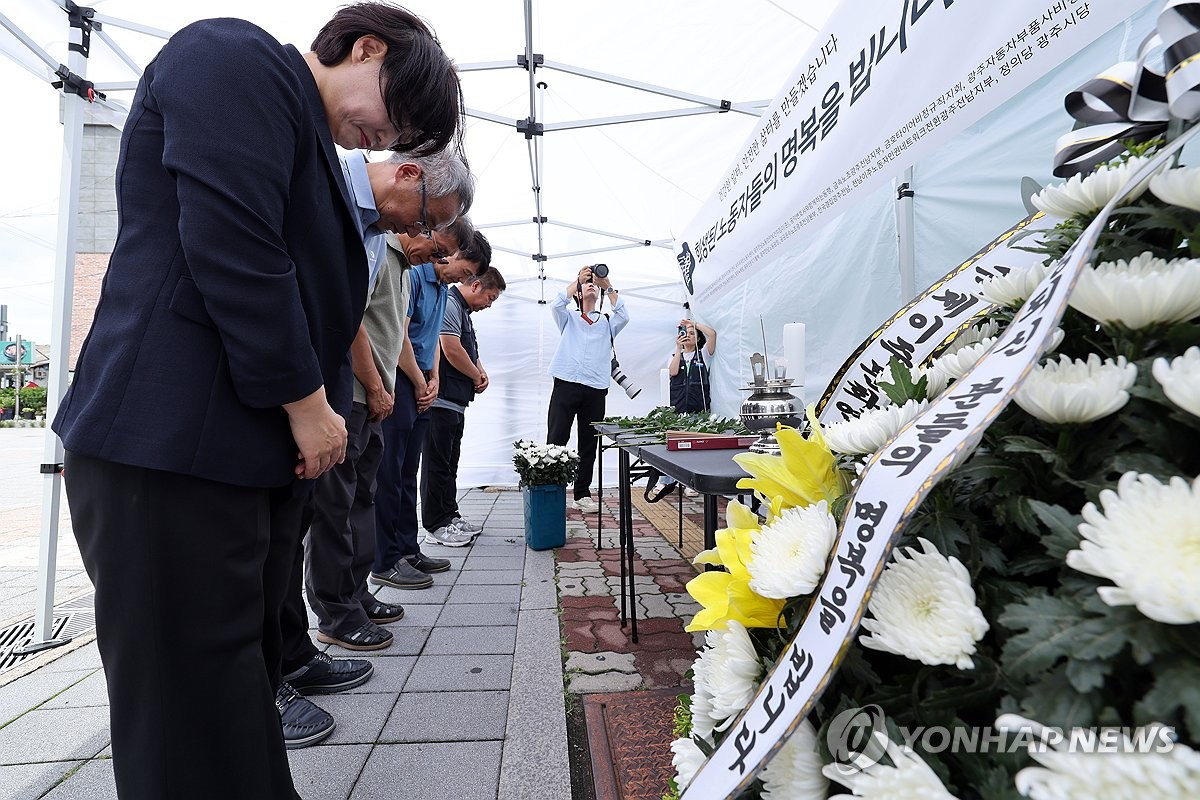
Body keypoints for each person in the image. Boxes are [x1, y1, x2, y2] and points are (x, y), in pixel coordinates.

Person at [50, 5, 462, 798]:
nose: (388, 139)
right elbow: (236, 243)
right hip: (164, 443)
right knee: (187, 704)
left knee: (236, 686)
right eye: (397, 115)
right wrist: (308, 401)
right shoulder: (234, 58)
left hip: (224, 452)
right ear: (365, 48)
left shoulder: (300, 125)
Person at [284, 148, 470, 699]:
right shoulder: (373, 240)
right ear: (406, 176)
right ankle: (334, 609)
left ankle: (355, 592)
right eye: (427, 230)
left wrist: (396, 381)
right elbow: (352, 322)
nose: (424, 239)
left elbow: (393, 331)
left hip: (375, 389)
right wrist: (376, 384)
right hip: (353, 389)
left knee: (360, 495)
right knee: (333, 504)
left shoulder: (394, 255)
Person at [372, 216, 485, 582]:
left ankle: (408, 548)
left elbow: (433, 338)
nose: (460, 279)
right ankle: (385, 559)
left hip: (422, 384)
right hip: (402, 380)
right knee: (390, 474)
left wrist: (434, 378)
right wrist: (421, 380)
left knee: (408, 472)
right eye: (461, 269)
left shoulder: (439, 288)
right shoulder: (417, 273)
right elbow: (400, 334)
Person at [420, 253, 504, 540]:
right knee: (437, 465)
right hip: (440, 400)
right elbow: (450, 348)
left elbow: (470, 350)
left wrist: (481, 371)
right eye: (490, 298)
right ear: (476, 285)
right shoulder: (451, 303)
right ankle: (435, 524)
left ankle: (450, 514)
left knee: (449, 463)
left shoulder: (464, 312)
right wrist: (473, 375)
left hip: (455, 402)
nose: (489, 305)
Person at [547, 265, 629, 511]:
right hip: (565, 382)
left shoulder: (606, 322)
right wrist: (576, 280)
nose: (591, 284)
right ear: (578, 294)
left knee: (588, 443)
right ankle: (552, 489)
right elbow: (556, 305)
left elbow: (623, 315)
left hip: (595, 387)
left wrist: (608, 286)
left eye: (594, 283)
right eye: (587, 284)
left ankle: (582, 493)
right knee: (556, 438)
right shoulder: (569, 317)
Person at [669, 318, 717, 413]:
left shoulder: (703, 354)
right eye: (685, 333)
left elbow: (712, 334)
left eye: (692, 333)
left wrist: (693, 323)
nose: (688, 335)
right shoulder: (674, 356)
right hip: (677, 408)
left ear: (698, 339)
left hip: (699, 410)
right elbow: (673, 372)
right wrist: (678, 348)